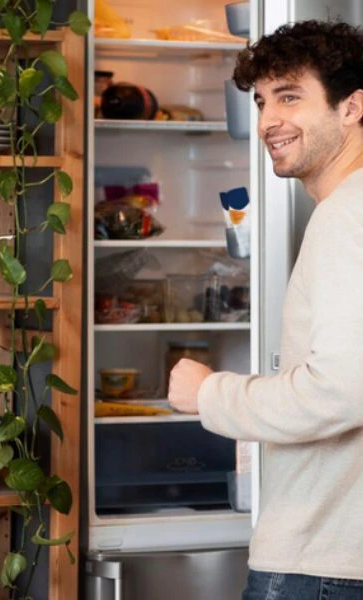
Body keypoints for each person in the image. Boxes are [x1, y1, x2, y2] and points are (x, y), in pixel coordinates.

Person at [168, 20, 363, 599]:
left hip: (321, 560)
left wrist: (209, 394)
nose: (267, 121)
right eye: (260, 101)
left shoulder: (345, 217)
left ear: (353, 106)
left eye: (290, 96)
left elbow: (343, 389)